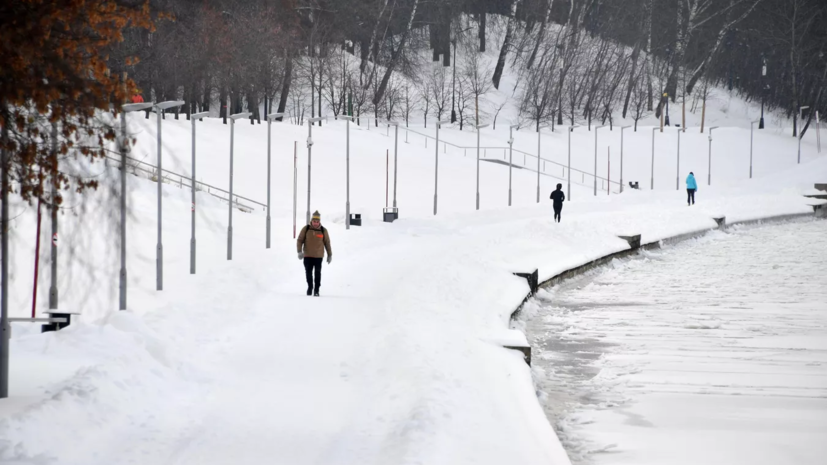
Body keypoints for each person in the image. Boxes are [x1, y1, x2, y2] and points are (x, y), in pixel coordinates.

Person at [297, 210, 332, 296]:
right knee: (308, 272)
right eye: (314, 221)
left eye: (317, 221)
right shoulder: (306, 229)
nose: (316, 223)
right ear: (311, 221)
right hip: (307, 255)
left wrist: (329, 254)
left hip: (318, 257)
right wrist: (299, 251)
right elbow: (300, 240)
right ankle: (310, 287)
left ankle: (316, 290)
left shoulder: (323, 231)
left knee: (317, 273)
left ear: (319, 221)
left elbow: (327, 243)